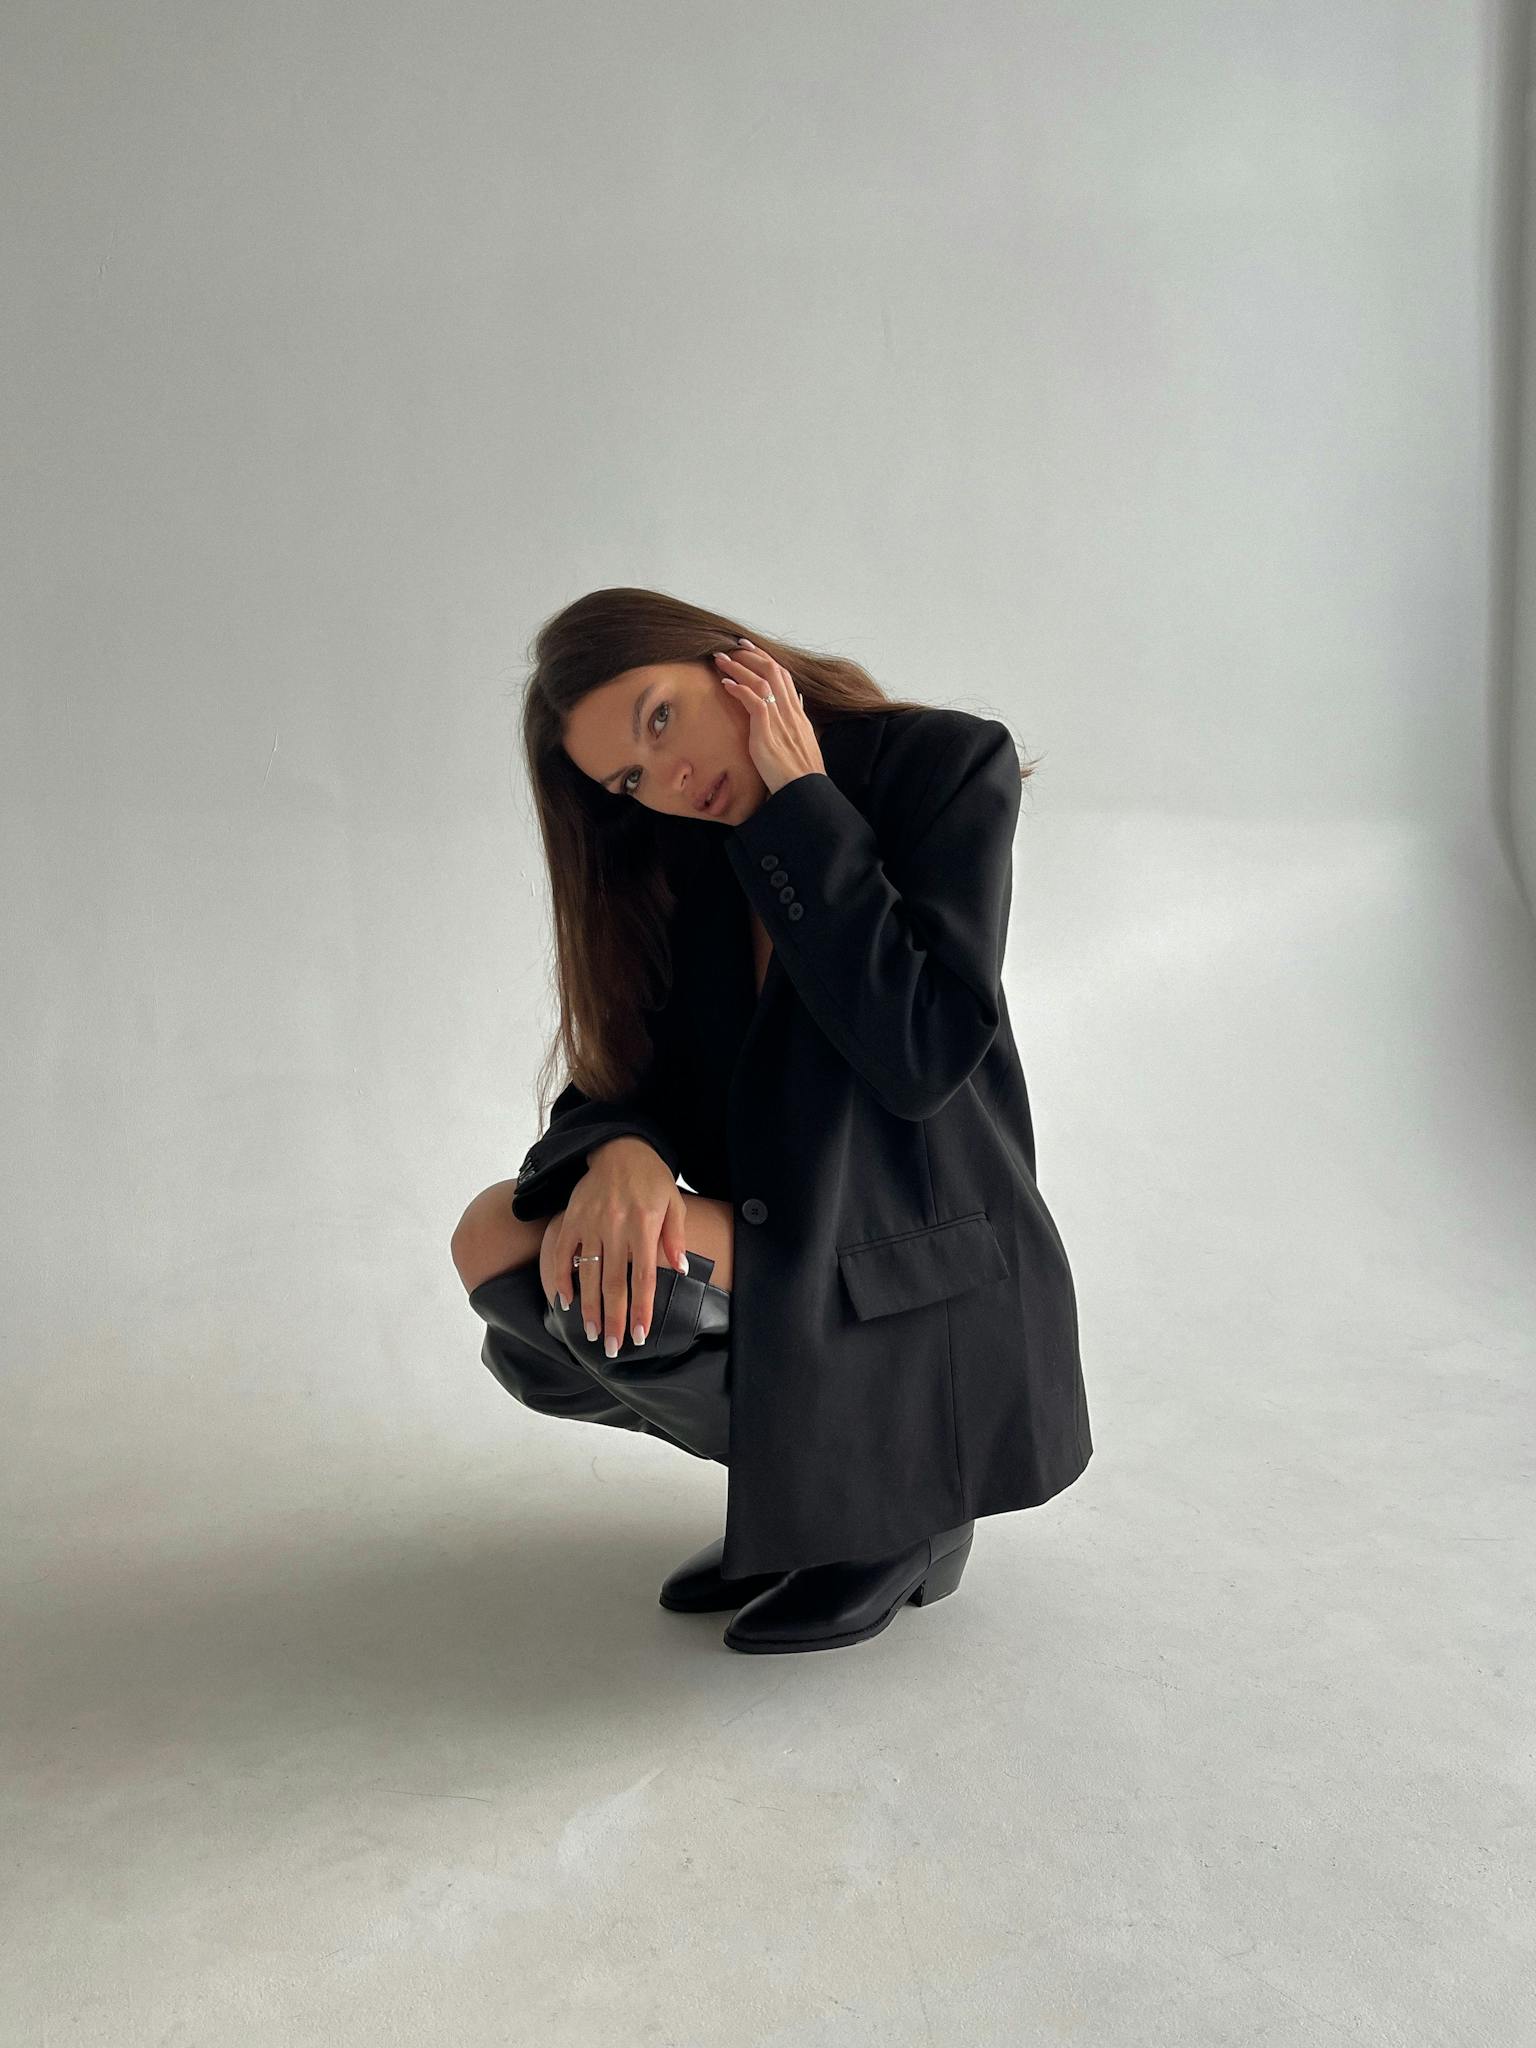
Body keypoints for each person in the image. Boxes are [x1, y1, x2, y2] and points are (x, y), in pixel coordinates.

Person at [451, 586, 1093, 1655]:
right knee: (505, 1244)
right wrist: (620, 1151)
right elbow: (630, 1068)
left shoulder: (941, 767)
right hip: (792, 1237)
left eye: (660, 720)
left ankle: (894, 1515)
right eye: (629, 777)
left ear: (727, 661)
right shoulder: (679, 851)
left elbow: (923, 1051)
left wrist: (799, 806)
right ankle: (812, 1500)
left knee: (639, 1288)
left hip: (919, 1254)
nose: (669, 782)